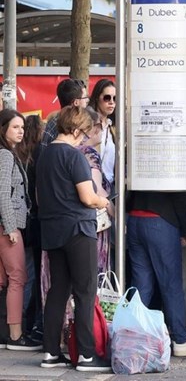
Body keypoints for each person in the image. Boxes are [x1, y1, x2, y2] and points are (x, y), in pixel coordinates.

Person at [36, 106, 111, 372]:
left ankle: (50, 353)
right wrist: (103, 200)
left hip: (53, 231)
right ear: (77, 129)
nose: (85, 138)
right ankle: (88, 356)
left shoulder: (44, 156)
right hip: (78, 230)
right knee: (85, 291)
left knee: (58, 291)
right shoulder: (74, 157)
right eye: (84, 133)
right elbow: (87, 197)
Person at [126, 190, 186, 357]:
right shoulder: (170, 163)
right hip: (162, 220)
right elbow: (178, 194)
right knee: (171, 284)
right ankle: (180, 340)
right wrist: (185, 230)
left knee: (141, 285)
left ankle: (132, 337)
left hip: (135, 217)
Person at [0, 109, 40, 351]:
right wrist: (11, 227)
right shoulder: (5, 156)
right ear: (3, 129)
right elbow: (3, 193)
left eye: (22, 127)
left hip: (6, 224)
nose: (21, 131)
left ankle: (7, 332)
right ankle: (16, 335)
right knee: (18, 278)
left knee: (5, 280)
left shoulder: (9, 153)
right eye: (15, 127)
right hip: (8, 226)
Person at [16, 114, 44, 341]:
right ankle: (26, 324)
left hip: (24, 225)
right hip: (31, 224)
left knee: (22, 275)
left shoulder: (20, 156)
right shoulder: (36, 158)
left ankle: (24, 323)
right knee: (30, 275)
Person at [78, 109, 113, 275]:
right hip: (93, 222)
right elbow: (97, 188)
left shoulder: (69, 150)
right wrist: (112, 209)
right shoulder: (89, 153)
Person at [40, 79, 90, 152]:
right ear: (76, 102)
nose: (87, 100)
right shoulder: (60, 126)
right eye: (85, 97)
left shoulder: (53, 123)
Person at [88, 79, 117, 189]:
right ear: (97, 98)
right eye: (107, 98)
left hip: (110, 185)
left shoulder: (113, 127)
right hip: (92, 185)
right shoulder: (87, 125)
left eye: (115, 98)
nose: (111, 102)